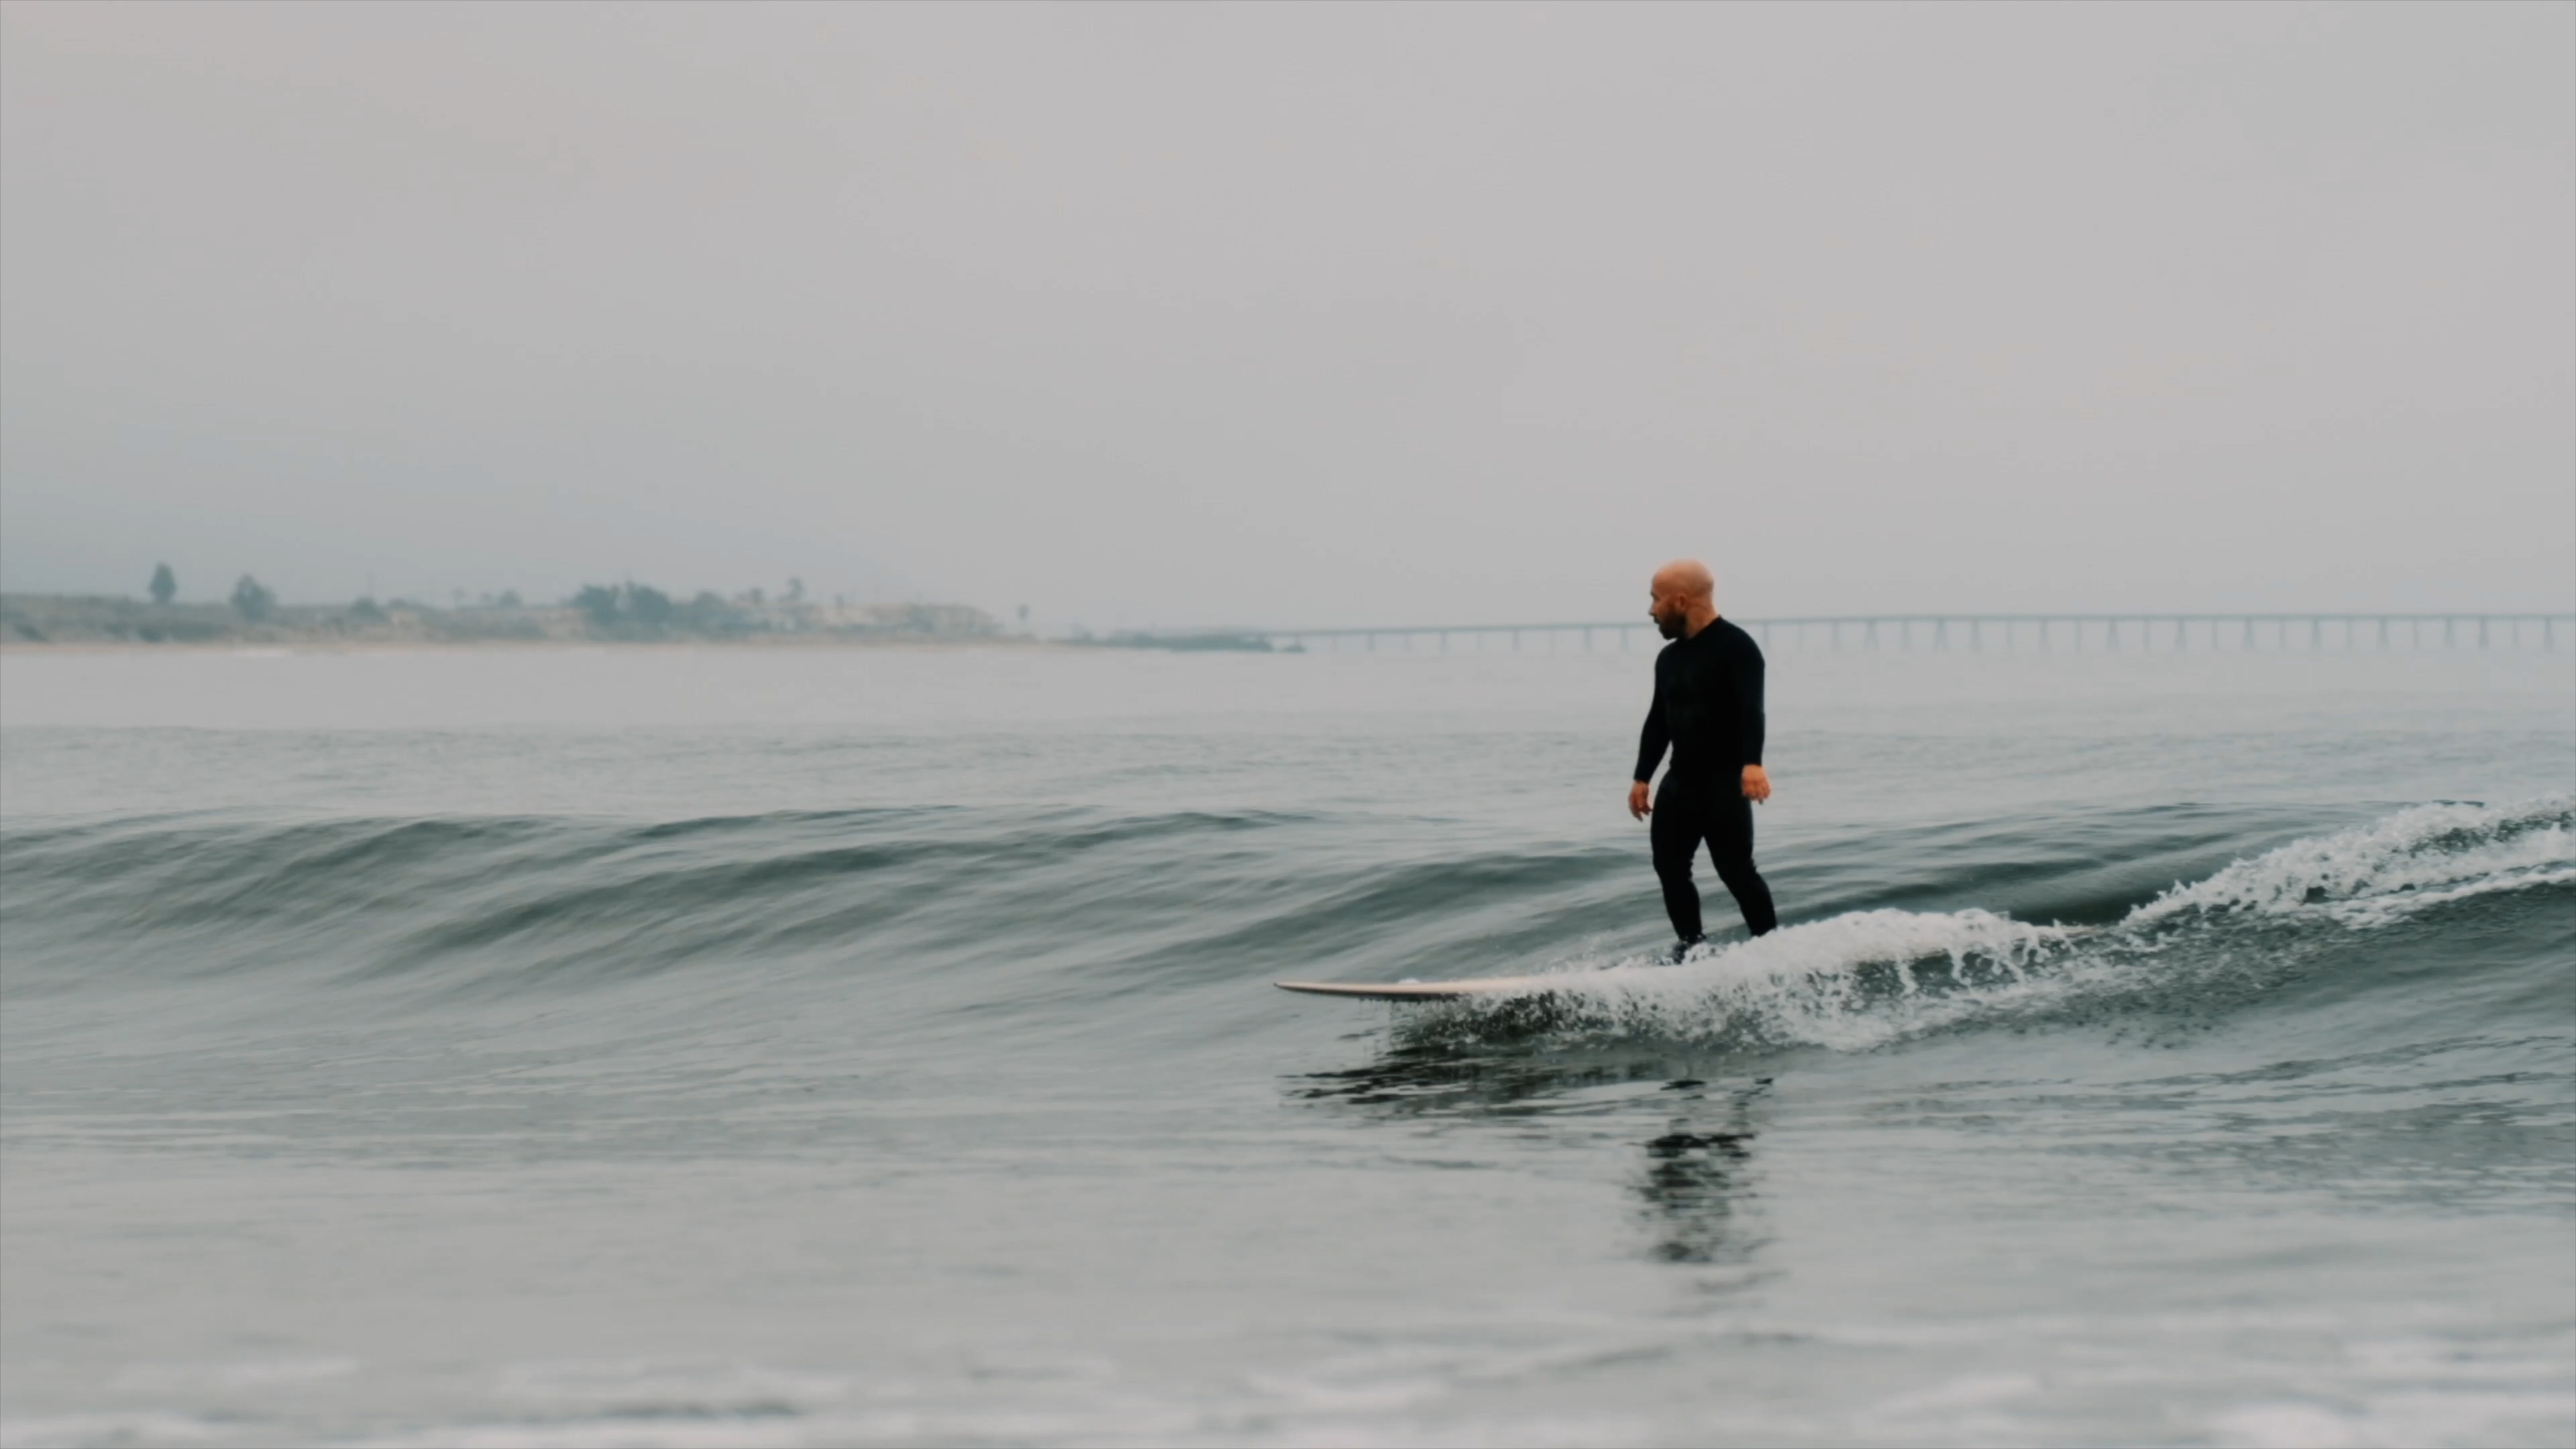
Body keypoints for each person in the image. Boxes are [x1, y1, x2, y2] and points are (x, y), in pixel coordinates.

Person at [1626, 559, 1778, 957]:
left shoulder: (1737, 646)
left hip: (1724, 784)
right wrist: (1642, 777)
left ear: (1680, 600)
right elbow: (1659, 719)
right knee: (1669, 867)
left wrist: (1753, 764)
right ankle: (1692, 948)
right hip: (1681, 782)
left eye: (1656, 599)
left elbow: (1751, 708)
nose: (1651, 610)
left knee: (1737, 871)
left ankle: (1772, 949)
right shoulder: (1669, 659)